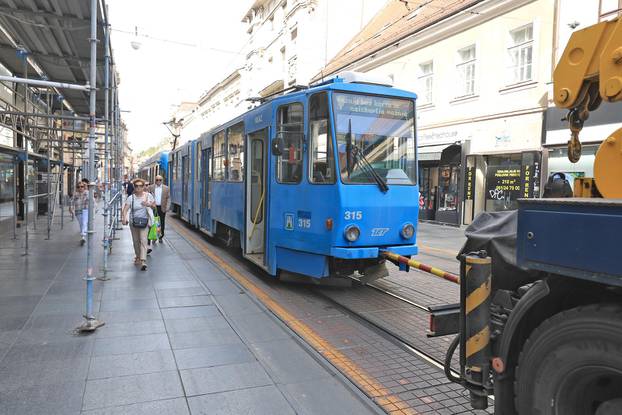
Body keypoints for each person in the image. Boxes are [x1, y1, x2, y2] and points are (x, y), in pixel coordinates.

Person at [121, 178, 154, 271]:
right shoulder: (131, 198)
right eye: (136, 186)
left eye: (140, 186)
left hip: (144, 222)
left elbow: (154, 206)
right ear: (134, 187)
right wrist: (124, 218)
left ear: (143, 187)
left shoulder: (148, 196)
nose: (138, 187)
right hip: (133, 223)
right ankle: (138, 256)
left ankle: (143, 261)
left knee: (143, 240)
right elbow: (125, 209)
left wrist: (148, 204)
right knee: (136, 241)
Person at [148, 175, 170, 243]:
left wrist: (167, 207)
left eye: (160, 180)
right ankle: (154, 237)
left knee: (162, 222)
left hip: (162, 207)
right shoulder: (151, 187)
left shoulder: (166, 188)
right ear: (155, 180)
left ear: (162, 180)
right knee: (153, 222)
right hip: (153, 207)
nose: (158, 181)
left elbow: (168, 198)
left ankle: (161, 236)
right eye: (157, 180)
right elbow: (148, 196)